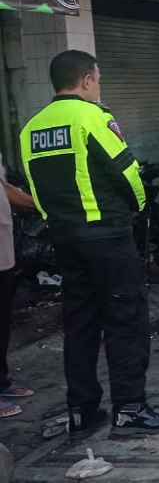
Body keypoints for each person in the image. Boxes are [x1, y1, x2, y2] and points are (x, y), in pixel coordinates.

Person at [19, 50, 159, 439]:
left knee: (80, 324)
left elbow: (35, 188)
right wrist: (140, 206)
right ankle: (129, 410)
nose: (99, 85)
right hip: (106, 236)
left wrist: (57, 220)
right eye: (99, 78)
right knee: (126, 319)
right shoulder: (93, 117)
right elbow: (125, 170)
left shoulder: (31, 129)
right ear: (87, 80)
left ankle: (82, 411)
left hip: (64, 238)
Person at [0, 150, 36, 419]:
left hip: (4, 253)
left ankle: (1, 380)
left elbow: (5, 188)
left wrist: (41, 203)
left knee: (2, 321)